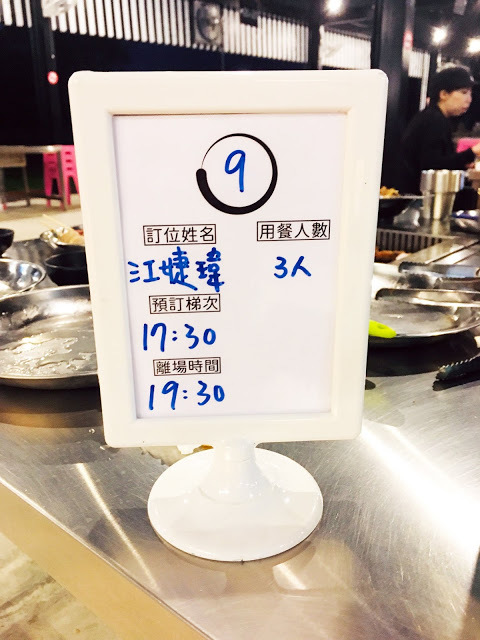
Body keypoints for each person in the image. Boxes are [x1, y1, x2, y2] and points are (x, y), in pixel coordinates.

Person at [398, 65, 480, 194]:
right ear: (443, 94)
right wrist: (472, 152)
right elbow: (433, 168)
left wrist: (462, 163)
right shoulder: (433, 120)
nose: (469, 99)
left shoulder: (435, 117)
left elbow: (440, 161)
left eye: (470, 93)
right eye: (464, 92)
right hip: (415, 198)